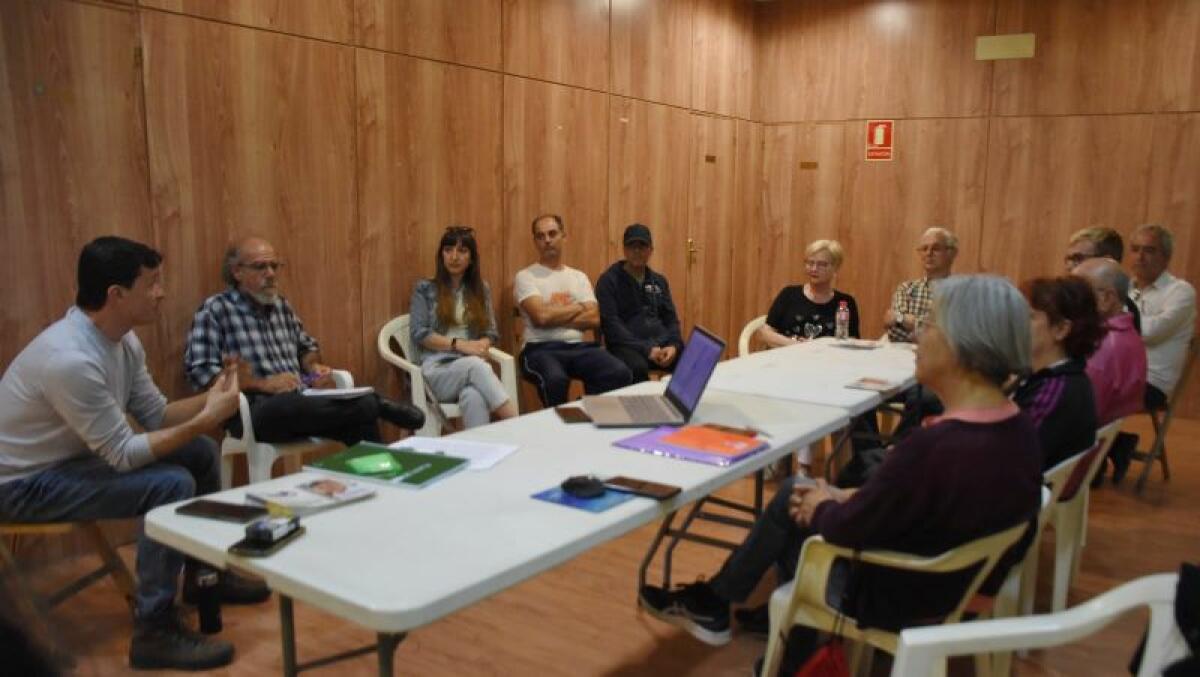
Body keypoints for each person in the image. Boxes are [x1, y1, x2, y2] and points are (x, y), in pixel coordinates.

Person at [639, 276, 1041, 670]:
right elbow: (911, 506)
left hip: (895, 593)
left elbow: (846, 529)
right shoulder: (1016, 428)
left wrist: (821, 505)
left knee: (797, 499)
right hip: (959, 585)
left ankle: (766, 641)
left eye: (930, 324)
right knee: (806, 491)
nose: (917, 334)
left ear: (963, 345)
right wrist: (842, 497)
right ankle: (745, 619)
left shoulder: (934, 448)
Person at [0, 237, 265, 671]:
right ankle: (154, 629)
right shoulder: (69, 359)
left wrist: (212, 395)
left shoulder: (122, 342)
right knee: (169, 483)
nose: (161, 293)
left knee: (198, 453)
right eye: (152, 284)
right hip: (18, 485)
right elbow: (123, 455)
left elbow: (158, 414)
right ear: (116, 295)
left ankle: (204, 576)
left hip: (66, 463)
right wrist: (206, 418)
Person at [185, 237, 424, 444]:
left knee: (357, 419)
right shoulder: (215, 310)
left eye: (274, 266)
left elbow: (307, 347)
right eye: (260, 267)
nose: (270, 274)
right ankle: (374, 403)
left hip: (302, 402)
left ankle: (382, 477)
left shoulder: (280, 305)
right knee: (296, 406)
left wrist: (312, 366)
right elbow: (202, 375)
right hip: (250, 411)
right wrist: (262, 384)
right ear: (237, 272)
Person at [515, 214, 632, 406]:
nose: (547, 240)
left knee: (620, 372)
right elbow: (541, 318)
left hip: (578, 348)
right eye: (540, 236)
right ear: (535, 241)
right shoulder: (526, 276)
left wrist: (553, 313)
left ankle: (587, 411)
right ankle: (557, 429)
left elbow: (594, 319)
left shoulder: (578, 277)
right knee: (556, 380)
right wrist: (579, 307)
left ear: (563, 236)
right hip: (540, 349)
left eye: (552, 234)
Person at [409, 226, 517, 429]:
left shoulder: (480, 289)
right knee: (476, 366)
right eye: (448, 250)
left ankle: (480, 455)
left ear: (472, 259)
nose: (454, 256)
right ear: (441, 255)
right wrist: (460, 345)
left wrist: (480, 346)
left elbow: (490, 333)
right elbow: (419, 332)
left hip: (469, 367)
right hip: (436, 371)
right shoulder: (424, 288)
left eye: (462, 251)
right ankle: (519, 427)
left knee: (474, 395)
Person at [1015, 277, 1104, 470]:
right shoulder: (1051, 376)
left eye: (1029, 317)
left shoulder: (1057, 390)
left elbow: (1010, 455)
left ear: (1061, 329)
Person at [1074, 258, 1148, 484]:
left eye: (1077, 292)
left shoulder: (1104, 347)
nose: (1068, 299)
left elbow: (1078, 417)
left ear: (1107, 298)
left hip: (1071, 464)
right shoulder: (1127, 335)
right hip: (1091, 451)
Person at [595, 223, 684, 383]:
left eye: (642, 246)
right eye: (632, 246)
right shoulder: (608, 281)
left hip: (661, 344)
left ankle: (678, 405)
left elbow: (671, 319)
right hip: (626, 346)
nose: (637, 251)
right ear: (624, 249)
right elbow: (611, 325)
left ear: (651, 250)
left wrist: (674, 345)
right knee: (637, 367)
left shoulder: (659, 281)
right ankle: (643, 407)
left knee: (691, 360)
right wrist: (647, 349)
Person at [1128, 224, 1196, 411]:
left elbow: (1150, 332)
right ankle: (1114, 440)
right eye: (1135, 250)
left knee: (1080, 395)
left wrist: (1116, 321)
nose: (1140, 257)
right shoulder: (1125, 288)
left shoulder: (1180, 291)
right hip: (1118, 373)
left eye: (1149, 250)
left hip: (1151, 383)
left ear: (1166, 257)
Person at [758, 239, 859, 346]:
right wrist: (798, 346)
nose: (814, 269)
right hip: (788, 357)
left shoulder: (845, 303)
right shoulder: (789, 294)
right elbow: (765, 333)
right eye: (810, 263)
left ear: (835, 268)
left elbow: (852, 341)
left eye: (822, 264)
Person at [884, 227, 958, 343]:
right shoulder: (906, 289)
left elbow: (953, 335)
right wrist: (933, 332)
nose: (929, 253)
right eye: (924, 249)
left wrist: (901, 318)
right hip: (902, 358)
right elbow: (894, 332)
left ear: (951, 253)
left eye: (936, 248)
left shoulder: (962, 293)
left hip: (944, 360)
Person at [1063, 226, 1141, 330]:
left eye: (1078, 258)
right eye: (1068, 259)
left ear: (1106, 261)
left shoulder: (1123, 310)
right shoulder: (1072, 301)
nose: (1069, 266)